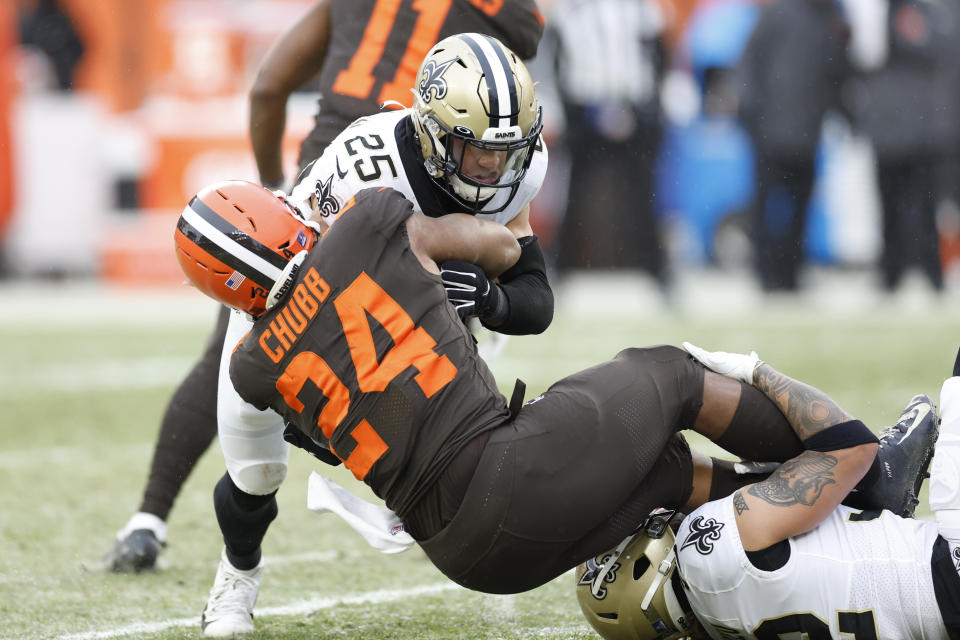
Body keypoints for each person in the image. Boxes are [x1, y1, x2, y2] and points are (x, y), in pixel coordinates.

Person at [177, 177, 927, 636]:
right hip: (509, 468)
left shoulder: (251, 370)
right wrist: (499, 270)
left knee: (665, 476)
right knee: (668, 375)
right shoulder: (368, 220)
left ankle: (839, 513)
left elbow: (338, 441)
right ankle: (864, 463)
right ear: (277, 218)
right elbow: (489, 245)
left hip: (466, 554)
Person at [103, 0, 545, 573]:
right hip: (403, 162)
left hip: (356, 161)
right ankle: (426, 485)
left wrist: (269, 190)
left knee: (244, 350)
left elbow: (270, 84)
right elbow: (525, 36)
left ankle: (148, 518)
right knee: (417, 340)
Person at [575, 343, 948, 640]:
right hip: (947, 569)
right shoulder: (703, 548)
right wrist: (757, 372)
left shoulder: (729, 626)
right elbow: (852, 448)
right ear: (652, 560)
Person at [545, 0, 670, 289]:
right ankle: (558, 268)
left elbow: (658, 54)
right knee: (574, 194)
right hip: (584, 107)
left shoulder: (641, 7)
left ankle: (657, 269)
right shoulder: (569, 8)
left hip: (634, 105)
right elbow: (556, 59)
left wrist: (647, 105)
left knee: (644, 193)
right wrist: (574, 110)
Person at [736, 0, 852, 292]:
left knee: (800, 206)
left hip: (807, 129)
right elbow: (750, 62)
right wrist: (752, 114)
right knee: (768, 205)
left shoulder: (830, 17)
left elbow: (836, 71)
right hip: (772, 129)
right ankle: (766, 273)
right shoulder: (780, 12)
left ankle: (791, 273)